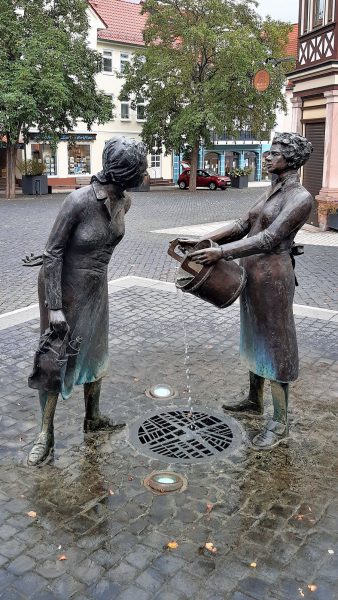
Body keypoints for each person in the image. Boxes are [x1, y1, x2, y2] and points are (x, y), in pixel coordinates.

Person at [178, 133, 313, 450]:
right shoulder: (271, 192)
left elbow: (270, 238)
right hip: (251, 274)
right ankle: (254, 400)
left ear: (290, 159)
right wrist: (203, 242)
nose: (267, 157)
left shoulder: (300, 198)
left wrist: (221, 254)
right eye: (268, 152)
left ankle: (280, 421)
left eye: (274, 153)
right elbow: (242, 224)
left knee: (277, 344)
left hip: (273, 277)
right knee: (255, 336)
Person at [25, 137, 148, 466]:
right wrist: (54, 308)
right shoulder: (79, 200)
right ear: (124, 171)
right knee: (56, 356)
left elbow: (98, 242)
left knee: (95, 351)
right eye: (141, 168)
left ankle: (92, 417)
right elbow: (53, 253)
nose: (146, 172)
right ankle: (45, 434)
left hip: (95, 286)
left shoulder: (125, 201)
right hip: (63, 288)